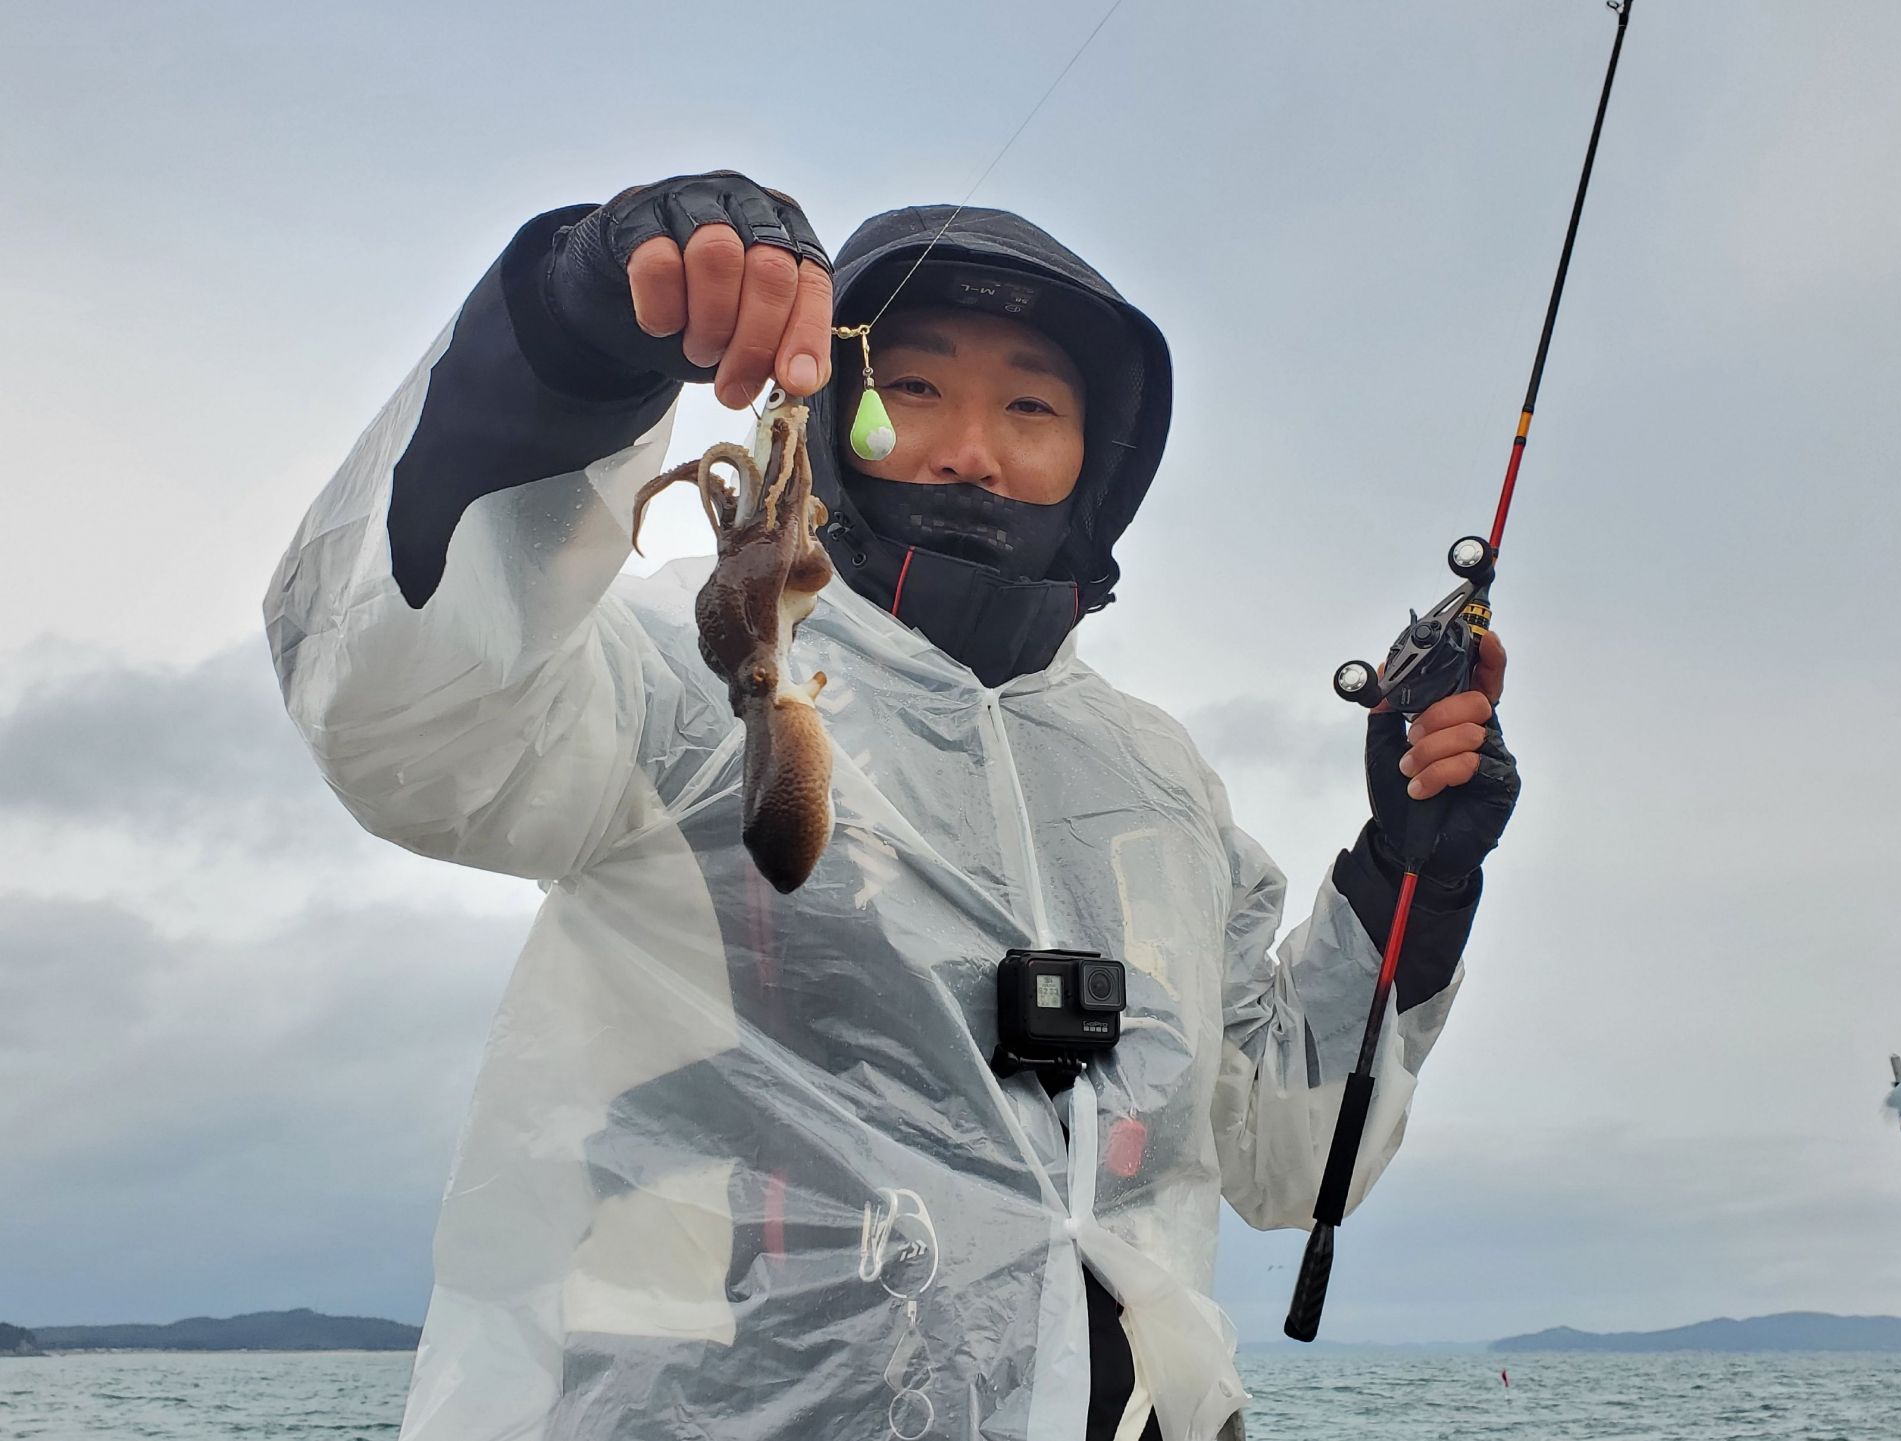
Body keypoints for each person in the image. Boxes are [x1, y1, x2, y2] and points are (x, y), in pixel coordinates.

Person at [265, 173, 1519, 1441]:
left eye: (1032, 405)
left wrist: (1409, 881)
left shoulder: (1161, 783)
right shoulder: (682, 671)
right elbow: (402, 718)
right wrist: (564, 347)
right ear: (830, 405)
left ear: (1099, 459)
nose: (972, 447)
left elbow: (1286, 1152)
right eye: (912, 388)